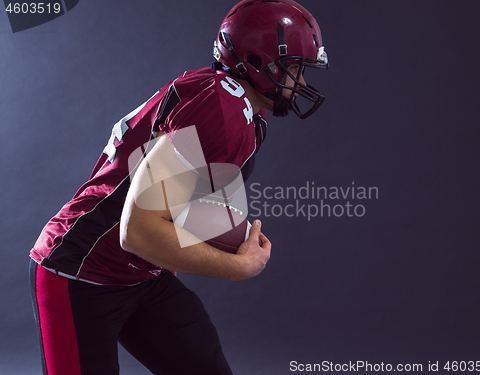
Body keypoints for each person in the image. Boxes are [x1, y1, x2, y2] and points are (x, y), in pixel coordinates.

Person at [29, 0, 329, 374]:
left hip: (143, 275)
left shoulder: (242, 107)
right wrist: (239, 266)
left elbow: (181, 200)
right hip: (82, 272)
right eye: (295, 68)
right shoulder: (220, 111)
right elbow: (137, 231)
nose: (300, 82)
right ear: (258, 62)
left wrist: (210, 234)